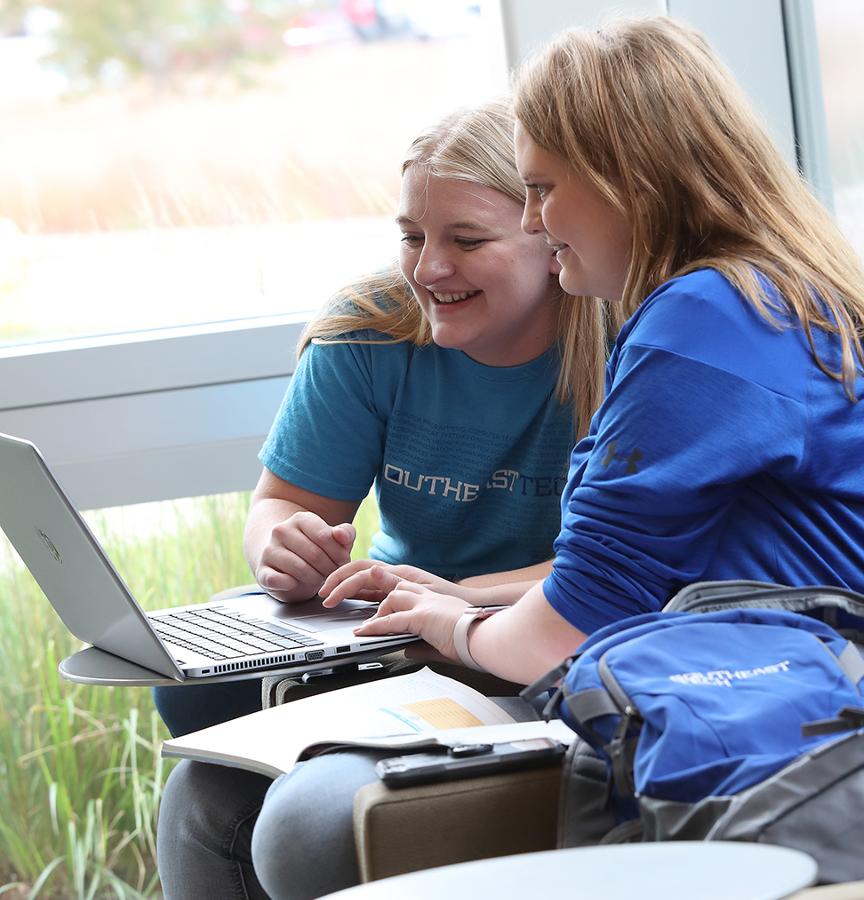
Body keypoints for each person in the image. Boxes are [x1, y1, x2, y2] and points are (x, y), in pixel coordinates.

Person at [161, 16, 864, 899]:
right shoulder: (739, 297)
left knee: (311, 820)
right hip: (706, 673)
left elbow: (569, 627)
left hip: (766, 706)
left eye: (541, 189)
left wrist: (446, 619)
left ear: (626, 180)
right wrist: (448, 602)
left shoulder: (705, 322)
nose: (537, 217)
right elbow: (620, 581)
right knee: (204, 788)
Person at [154, 97, 607, 899]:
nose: (427, 268)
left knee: (272, 805)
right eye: (411, 235)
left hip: (528, 642)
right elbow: (283, 504)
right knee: (194, 775)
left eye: (466, 240)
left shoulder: (621, 343)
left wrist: (457, 603)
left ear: (552, 236)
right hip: (392, 632)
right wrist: (283, 546)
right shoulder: (371, 328)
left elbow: (610, 575)